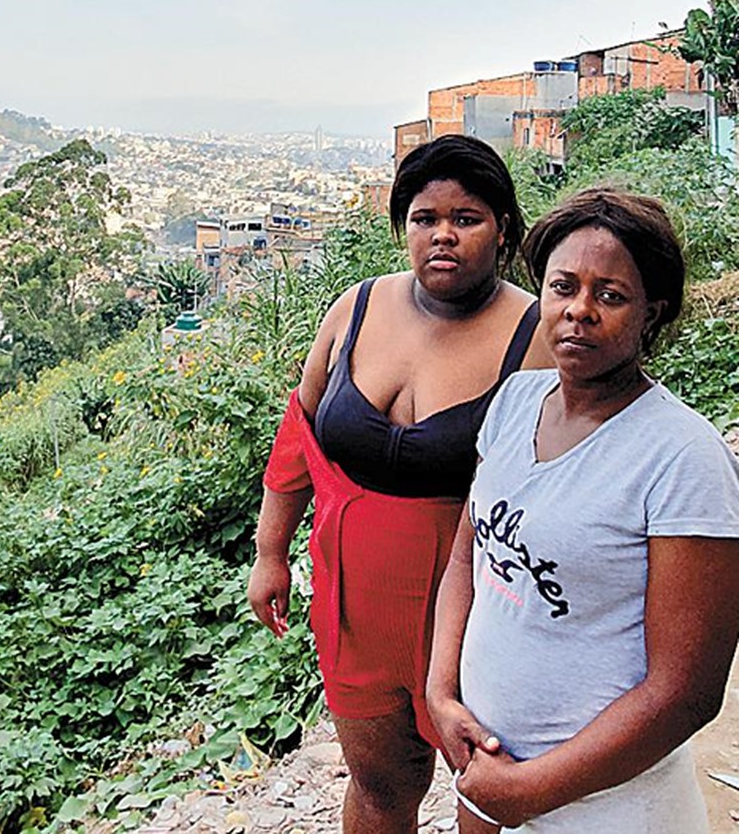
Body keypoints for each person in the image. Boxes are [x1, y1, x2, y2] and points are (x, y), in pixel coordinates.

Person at [247, 134, 552, 833]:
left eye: (466, 218)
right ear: (403, 228)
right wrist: (271, 550)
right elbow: (301, 430)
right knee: (382, 785)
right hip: (357, 601)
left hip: (478, 609)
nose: (443, 234)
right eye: (425, 217)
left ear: (502, 229)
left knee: (488, 795)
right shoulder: (356, 308)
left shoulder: (535, 333)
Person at [427, 187, 739, 834]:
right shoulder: (516, 401)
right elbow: (469, 555)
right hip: (486, 779)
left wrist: (527, 790)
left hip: (610, 811)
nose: (579, 311)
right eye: (563, 287)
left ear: (651, 314)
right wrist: (441, 693)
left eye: (610, 295)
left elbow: (686, 692)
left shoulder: (682, 458)